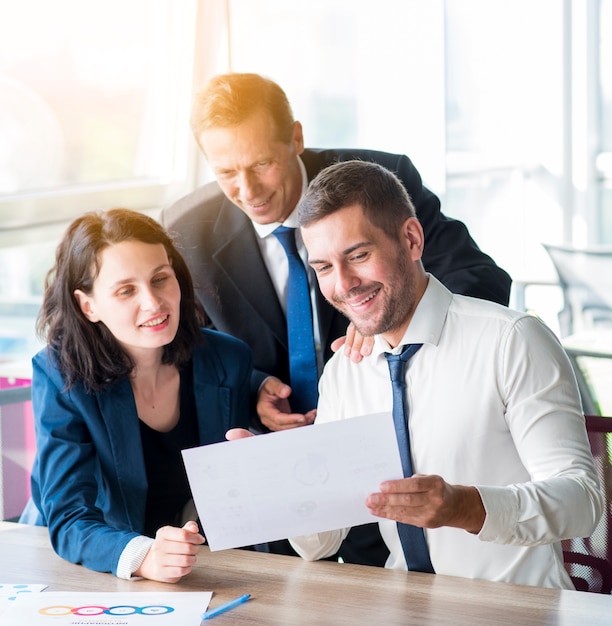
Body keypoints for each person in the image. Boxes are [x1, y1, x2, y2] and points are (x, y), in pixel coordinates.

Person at [161, 72, 512, 567]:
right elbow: (195, 344)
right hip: (282, 471)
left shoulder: (380, 182)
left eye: (262, 163)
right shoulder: (185, 229)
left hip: (395, 451)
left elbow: (481, 279)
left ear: (296, 139)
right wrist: (254, 385)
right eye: (226, 173)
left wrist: (390, 314)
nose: (248, 189)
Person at [279, 159, 602, 588]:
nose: (343, 284)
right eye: (323, 268)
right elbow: (319, 544)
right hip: (403, 607)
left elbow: (583, 500)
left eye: (358, 255)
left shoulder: (511, 340)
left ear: (411, 239)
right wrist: (280, 481)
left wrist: (467, 508)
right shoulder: (345, 372)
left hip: (516, 609)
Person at [19, 208, 253, 583]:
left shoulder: (230, 359)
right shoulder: (60, 374)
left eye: (161, 278)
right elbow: (69, 517)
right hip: (86, 562)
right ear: (88, 305)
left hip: (195, 564)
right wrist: (143, 557)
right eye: (126, 290)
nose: (154, 302)